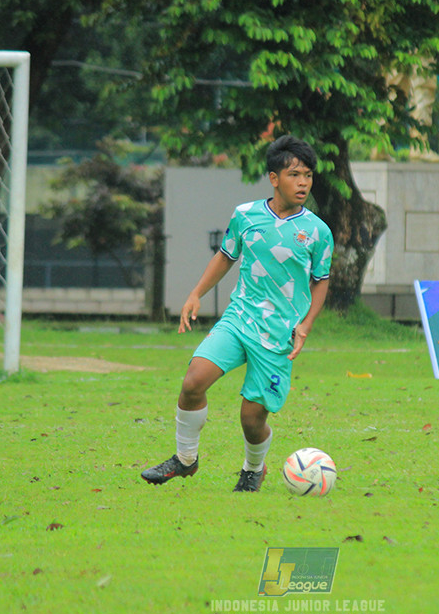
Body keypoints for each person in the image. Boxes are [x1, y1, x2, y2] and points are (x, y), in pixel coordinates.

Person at [141, 135, 334, 492]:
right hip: (240, 318)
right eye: (294, 174)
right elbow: (226, 256)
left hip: (279, 334)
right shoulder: (246, 216)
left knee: (251, 418)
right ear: (274, 178)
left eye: (308, 174)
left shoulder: (317, 231)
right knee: (193, 381)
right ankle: (185, 460)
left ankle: (253, 469)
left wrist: (305, 325)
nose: (303, 182)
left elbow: (321, 281)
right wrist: (196, 294)